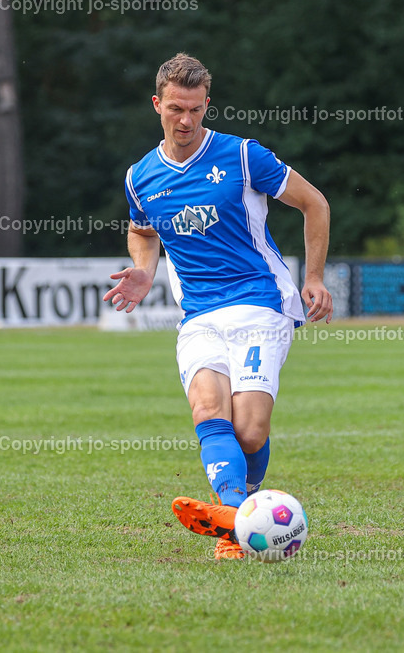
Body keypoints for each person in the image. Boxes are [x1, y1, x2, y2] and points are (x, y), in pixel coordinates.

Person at [103, 53, 333, 559]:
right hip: (200, 315)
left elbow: (315, 202)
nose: (186, 121)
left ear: (208, 105)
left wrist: (313, 277)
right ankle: (235, 525)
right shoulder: (140, 176)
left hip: (260, 304)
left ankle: (240, 508)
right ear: (157, 104)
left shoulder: (244, 156)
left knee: (249, 432)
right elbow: (141, 230)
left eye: (196, 110)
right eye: (176, 109)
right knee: (209, 410)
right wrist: (144, 269)